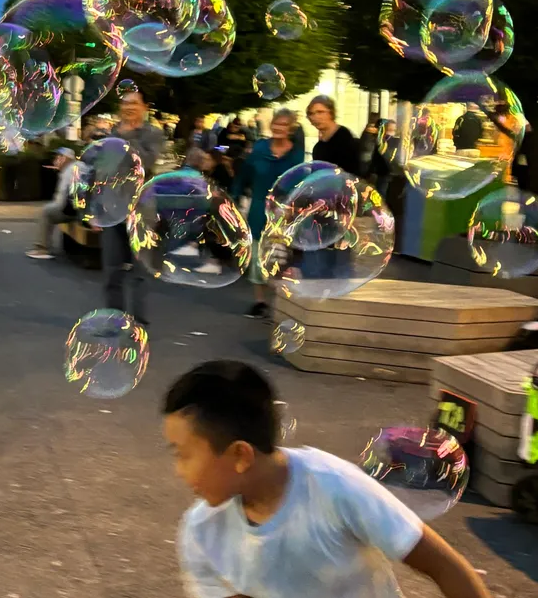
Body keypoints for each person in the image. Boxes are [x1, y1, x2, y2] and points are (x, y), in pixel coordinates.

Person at [164, 360, 491, 598]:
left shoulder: (335, 485)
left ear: (240, 456)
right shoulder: (201, 530)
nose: (179, 469)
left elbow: (446, 567)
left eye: (184, 454)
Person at [91, 89, 162, 325]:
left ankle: (138, 319)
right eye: (125, 103)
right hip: (112, 209)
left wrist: (128, 136)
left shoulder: (152, 133)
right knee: (112, 268)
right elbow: (100, 172)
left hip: (141, 209)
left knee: (140, 268)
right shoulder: (110, 133)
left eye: (134, 103)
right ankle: (115, 316)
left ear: (144, 108)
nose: (129, 107)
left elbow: (146, 162)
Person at [229, 109, 304, 319]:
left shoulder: (296, 154)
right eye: (276, 124)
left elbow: (299, 184)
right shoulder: (260, 148)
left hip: (283, 212)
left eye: (284, 125)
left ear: (291, 128)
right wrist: (235, 194)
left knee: (279, 258)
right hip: (259, 209)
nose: (279, 128)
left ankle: (280, 302)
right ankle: (260, 302)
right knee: (256, 257)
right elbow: (245, 174)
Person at [26, 147, 78, 260]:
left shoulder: (70, 170)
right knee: (49, 209)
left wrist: (56, 206)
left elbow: (64, 196)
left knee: (47, 211)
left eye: (58, 157)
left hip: (75, 209)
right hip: (78, 208)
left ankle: (42, 248)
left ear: (65, 159)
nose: (55, 160)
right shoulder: (73, 168)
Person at [307, 95, 360, 175]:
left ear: (331, 113)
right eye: (311, 113)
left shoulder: (344, 139)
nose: (315, 117)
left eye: (320, 112)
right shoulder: (318, 147)